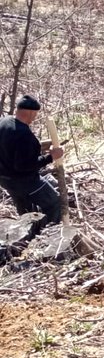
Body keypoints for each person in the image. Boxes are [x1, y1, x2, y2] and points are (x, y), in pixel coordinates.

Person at [0, 95, 64, 258]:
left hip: (5, 179)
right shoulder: (24, 136)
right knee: (54, 203)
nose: (35, 118)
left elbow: (12, 150)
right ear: (29, 113)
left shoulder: (5, 122)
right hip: (25, 181)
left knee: (27, 210)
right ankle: (50, 240)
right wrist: (51, 157)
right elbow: (23, 166)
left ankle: (25, 240)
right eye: (35, 115)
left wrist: (37, 148)